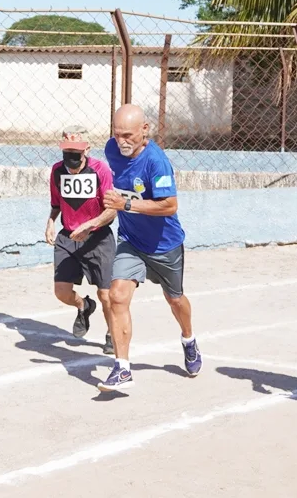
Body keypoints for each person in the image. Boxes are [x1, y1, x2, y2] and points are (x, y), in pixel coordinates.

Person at [98, 104, 201, 391]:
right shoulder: (111, 150)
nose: (122, 141)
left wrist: (126, 204)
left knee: (175, 300)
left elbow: (170, 206)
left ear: (145, 130)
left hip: (164, 245)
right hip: (131, 242)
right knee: (117, 296)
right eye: (117, 134)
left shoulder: (157, 162)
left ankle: (188, 338)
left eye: (128, 135)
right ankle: (122, 369)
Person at [45, 125, 117, 354]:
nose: (71, 158)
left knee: (106, 294)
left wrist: (90, 225)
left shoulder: (101, 170)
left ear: (87, 149)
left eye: (76, 152)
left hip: (97, 237)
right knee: (61, 292)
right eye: (67, 151)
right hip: (68, 237)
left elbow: (112, 211)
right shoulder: (57, 171)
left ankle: (111, 332)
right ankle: (84, 306)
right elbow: (56, 204)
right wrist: (50, 221)